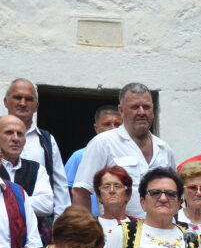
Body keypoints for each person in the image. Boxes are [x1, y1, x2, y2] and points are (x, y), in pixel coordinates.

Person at [73, 83, 176, 219]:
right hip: (116, 232)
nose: (141, 112)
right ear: (121, 110)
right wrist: (86, 233)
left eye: (146, 107)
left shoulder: (164, 148)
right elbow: (81, 191)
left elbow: (174, 193)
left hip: (159, 233)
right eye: (134, 107)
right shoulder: (103, 143)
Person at [3, 78, 70, 221]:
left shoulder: (46, 141)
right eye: (17, 97)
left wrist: (61, 227)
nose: (22, 103)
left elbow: (60, 186)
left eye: (28, 99)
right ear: (5, 101)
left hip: (38, 223)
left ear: (36, 106)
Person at [0, 114, 53, 241]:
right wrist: (28, 202)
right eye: (9, 133)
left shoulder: (37, 169)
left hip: (31, 244)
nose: (16, 138)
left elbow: (46, 205)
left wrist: (2, 202)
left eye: (20, 134)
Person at [65, 105, 122, 216]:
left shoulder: (128, 156)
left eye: (118, 125)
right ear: (96, 128)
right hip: (89, 221)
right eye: (107, 124)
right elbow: (66, 192)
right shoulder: (79, 156)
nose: (113, 129)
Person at [93, 165, 133, 245]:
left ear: (128, 195)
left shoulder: (140, 226)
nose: (112, 191)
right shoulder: (90, 226)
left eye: (117, 186)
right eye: (106, 187)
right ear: (99, 196)